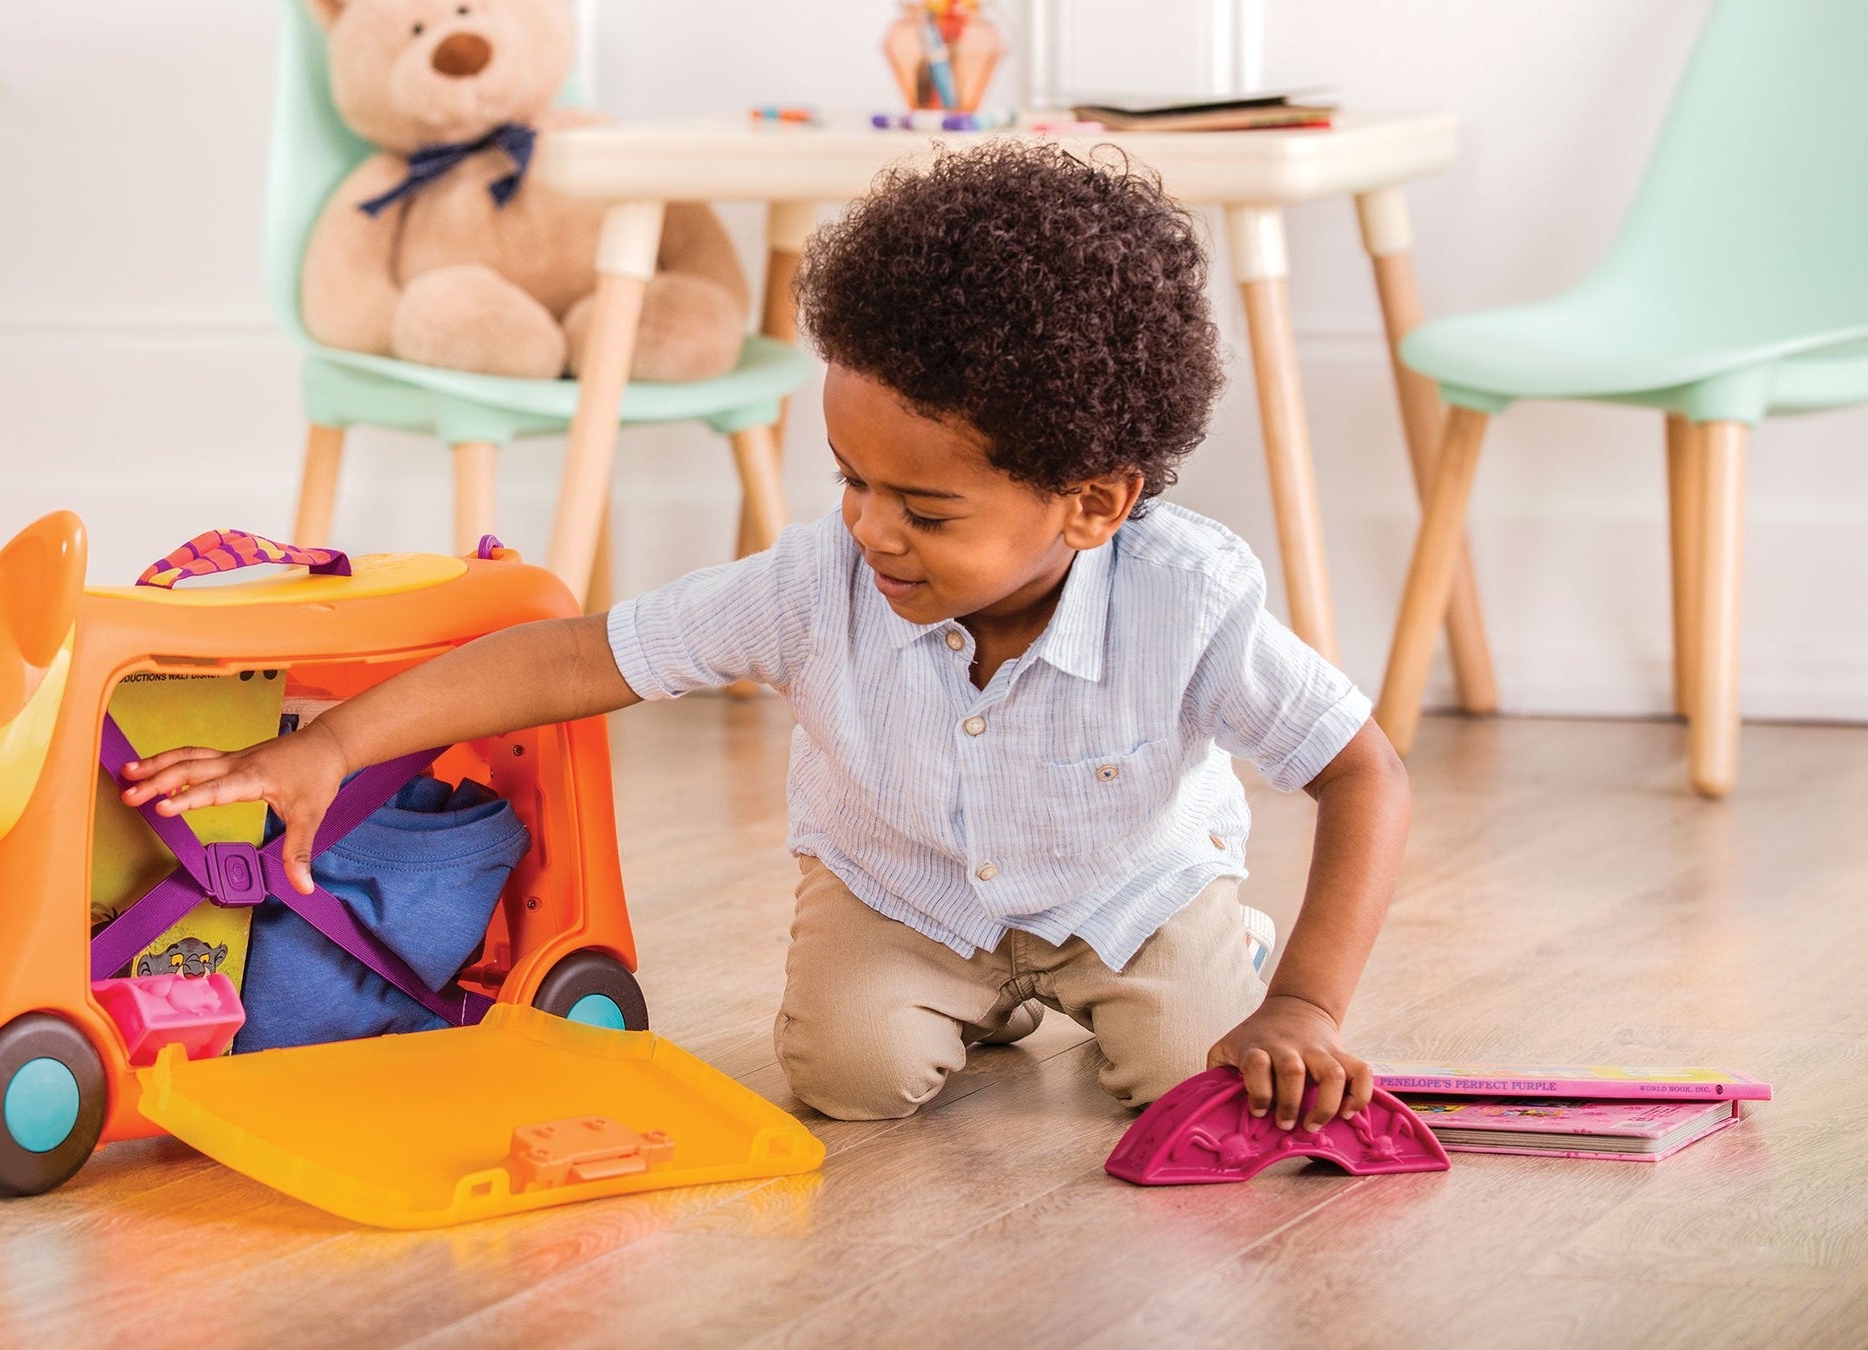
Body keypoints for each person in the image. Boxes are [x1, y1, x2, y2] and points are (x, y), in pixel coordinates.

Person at [123, 141, 1410, 1133]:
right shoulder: (814, 583)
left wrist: (1301, 1001)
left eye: (925, 507)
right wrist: (330, 747)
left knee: (1206, 1074)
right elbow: (578, 658)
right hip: (903, 890)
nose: (869, 529)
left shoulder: (1190, 598)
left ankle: (1211, 961)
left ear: (1092, 504)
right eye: (850, 478)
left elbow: (1365, 774)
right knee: (851, 1078)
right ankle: (988, 1000)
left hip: (1133, 892)